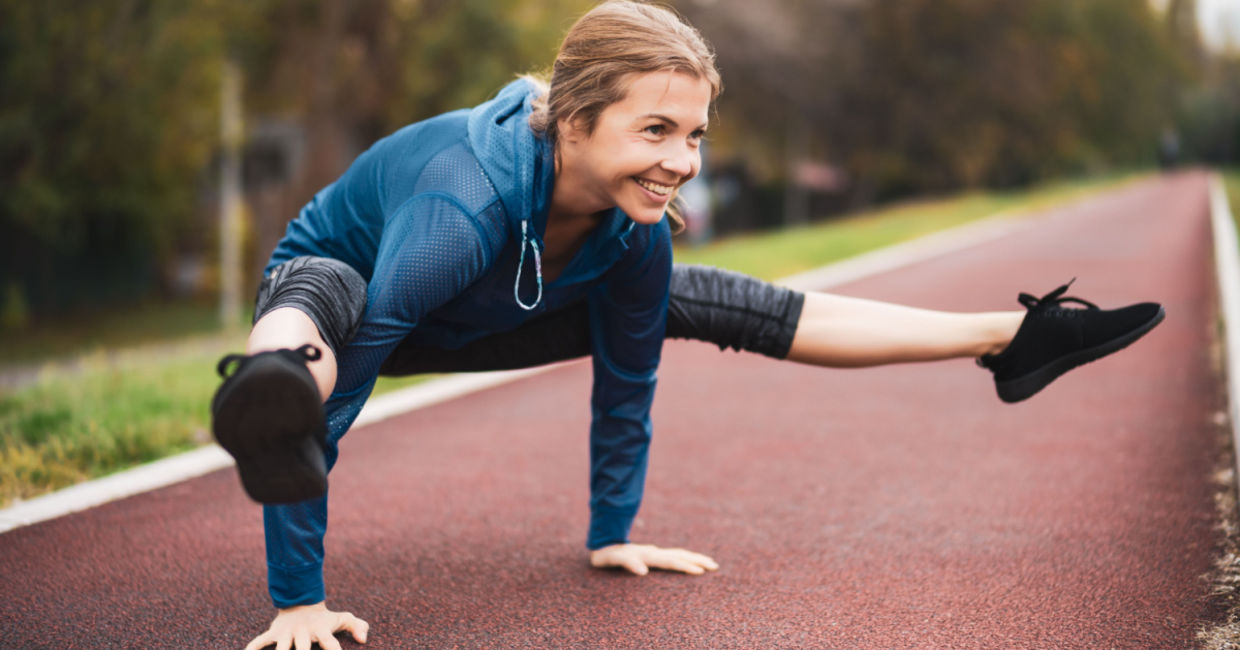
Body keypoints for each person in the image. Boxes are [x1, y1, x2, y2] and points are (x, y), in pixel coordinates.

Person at [210, 2, 1165, 648]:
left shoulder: (634, 235)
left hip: (500, 307)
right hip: (348, 305)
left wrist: (612, 529)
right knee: (320, 314)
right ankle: (263, 376)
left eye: (696, 134)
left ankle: (1008, 335)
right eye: (656, 131)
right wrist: (299, 597)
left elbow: (628, 380)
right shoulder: (461, 208)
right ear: (573, 121)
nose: (682, 160)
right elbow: (337, 408)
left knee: (699, 297)